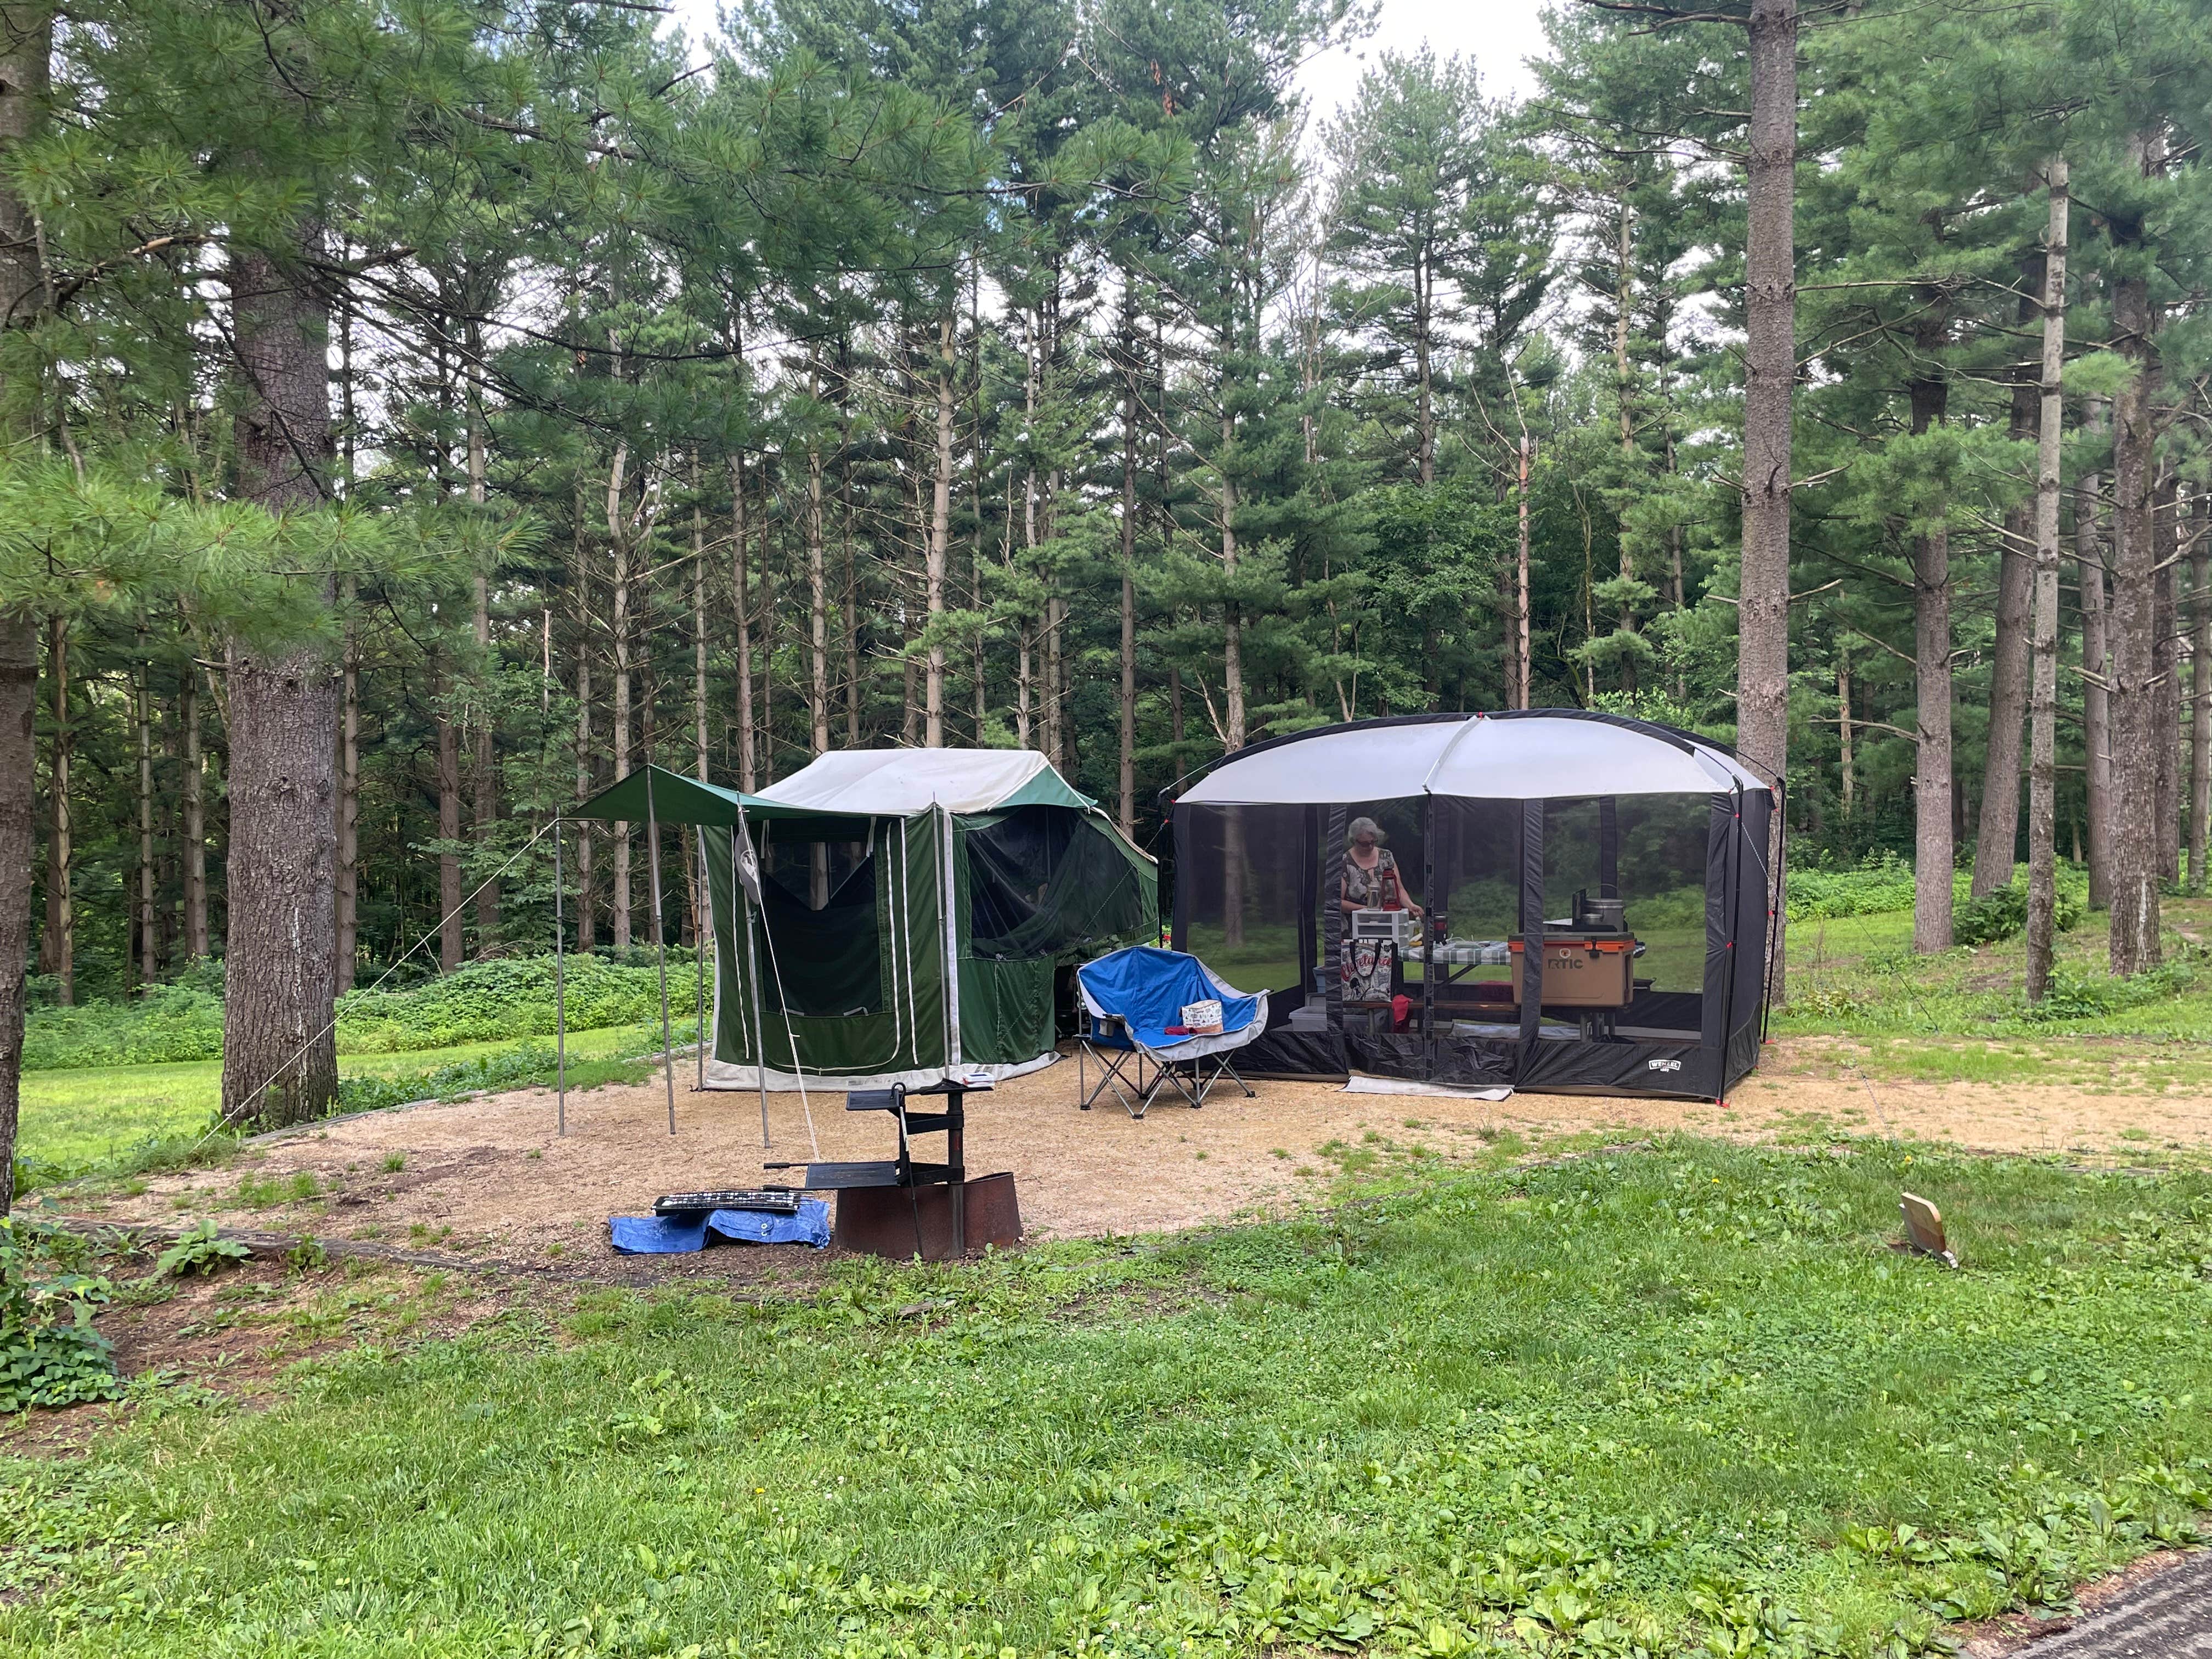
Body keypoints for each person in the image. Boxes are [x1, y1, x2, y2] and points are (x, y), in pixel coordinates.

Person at [1338, 817, 1421, 1003]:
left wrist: (1411, 905)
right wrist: (1367, 910)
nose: (1369, 846)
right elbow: (1338, 901)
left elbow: (1398, 888)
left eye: (1373, 842)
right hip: (1354, 933)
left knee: (1389, 975)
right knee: (1364, 978)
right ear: (1354, 841)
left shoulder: (1386, 857)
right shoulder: (1345, 862)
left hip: (1386, 929)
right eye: (1364, 843)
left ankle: (1392, 1010)